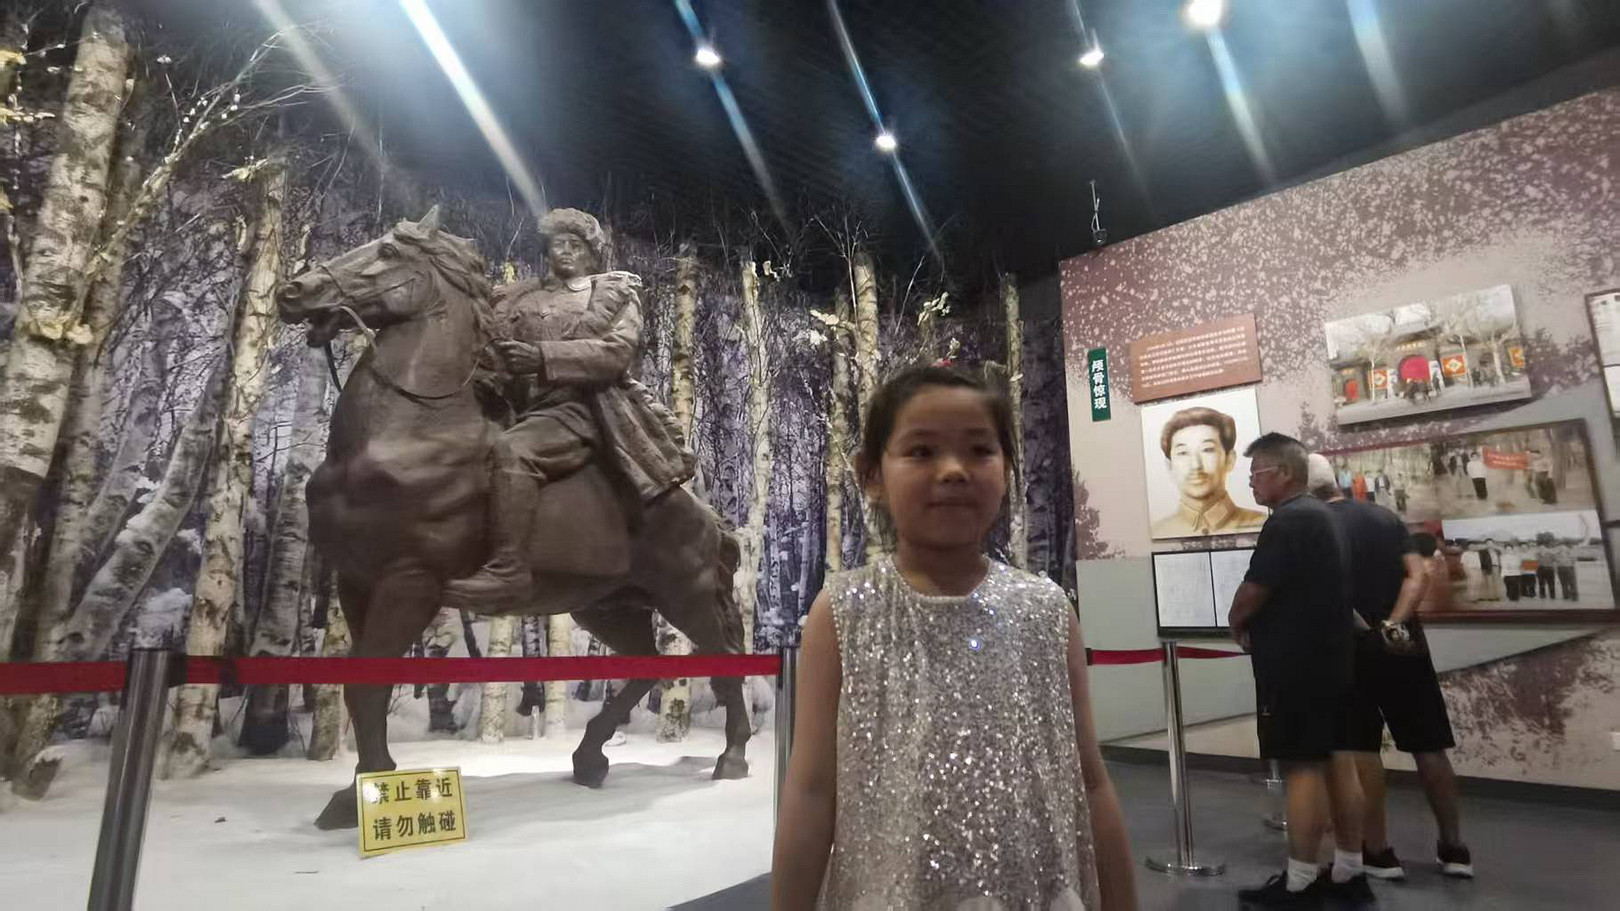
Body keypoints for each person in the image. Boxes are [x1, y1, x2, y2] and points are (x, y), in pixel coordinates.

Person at [771, 366, 1136, 911]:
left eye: (980, 450)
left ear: (1006, 469)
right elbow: (811, 792)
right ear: (872, 476)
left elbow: (1089, 781)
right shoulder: (844, 613)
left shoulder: (1046, 610)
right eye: (921, 451)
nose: (953, 470)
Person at [444, 208, 694, 608]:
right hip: (512, 409)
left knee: (513, 451)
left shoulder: (612, 293)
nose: (564, 251)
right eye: (557, 244)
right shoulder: (515, 298)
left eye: (574, 245)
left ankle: (509, 568)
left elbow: (615, 354)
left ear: (591, 255)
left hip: (582, 409)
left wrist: (542, 357)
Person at [1306, 454, 1473, 884]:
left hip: (1349, 648)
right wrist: (1394, 623)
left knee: (1362, 748)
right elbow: (1416, 577)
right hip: (1403, 644)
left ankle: (1379, 852)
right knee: (1430, 745)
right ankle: (1454, 848)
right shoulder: (1384, 517)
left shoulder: (1314, 526)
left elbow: (1323, 592)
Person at [1228, 435, 1367, 907]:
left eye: (1256, 473)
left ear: (1284, 473)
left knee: (1302, 765)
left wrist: (1237, 621)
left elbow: (1255, 589)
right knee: (1339, 758)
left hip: (1296, 666)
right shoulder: (1324, 517)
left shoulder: (1287, 522)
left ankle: (1300, 881)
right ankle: (1349, 869)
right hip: (1333, 660)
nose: (1251, 482)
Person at [1149, 406, 1267, 537]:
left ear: (1229, 460)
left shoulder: (1262, 524)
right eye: (1183, 453)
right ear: (1169, 466)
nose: (1195, 465)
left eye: (1207, 450)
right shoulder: (1159, 530)